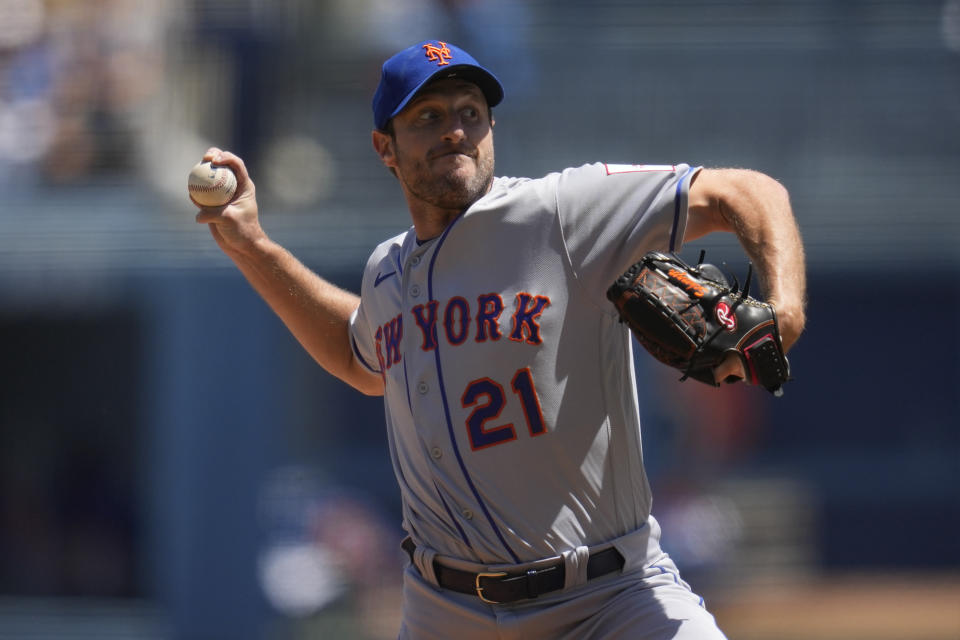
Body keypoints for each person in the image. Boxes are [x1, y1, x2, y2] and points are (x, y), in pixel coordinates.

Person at [194, 39, 806, 639]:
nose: (455, 130)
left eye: (471, 113)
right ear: (385, 147)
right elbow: (361, 357)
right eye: (429, 117)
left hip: (609, 600)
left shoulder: (560, 212)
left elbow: (746, 192)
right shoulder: (387, 271)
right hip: (448, 611)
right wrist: (253, 246)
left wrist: (785, 307)